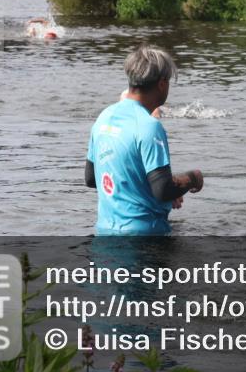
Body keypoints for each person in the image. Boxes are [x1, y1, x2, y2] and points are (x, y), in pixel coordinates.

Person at [85, 45, 204, 235]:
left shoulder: (104, 117)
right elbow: (163, 190)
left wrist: (165, 187)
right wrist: (193, 178)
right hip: (145, 238)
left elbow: (92, 179)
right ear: (162, 84)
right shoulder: (149, 126)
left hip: (104, 233)